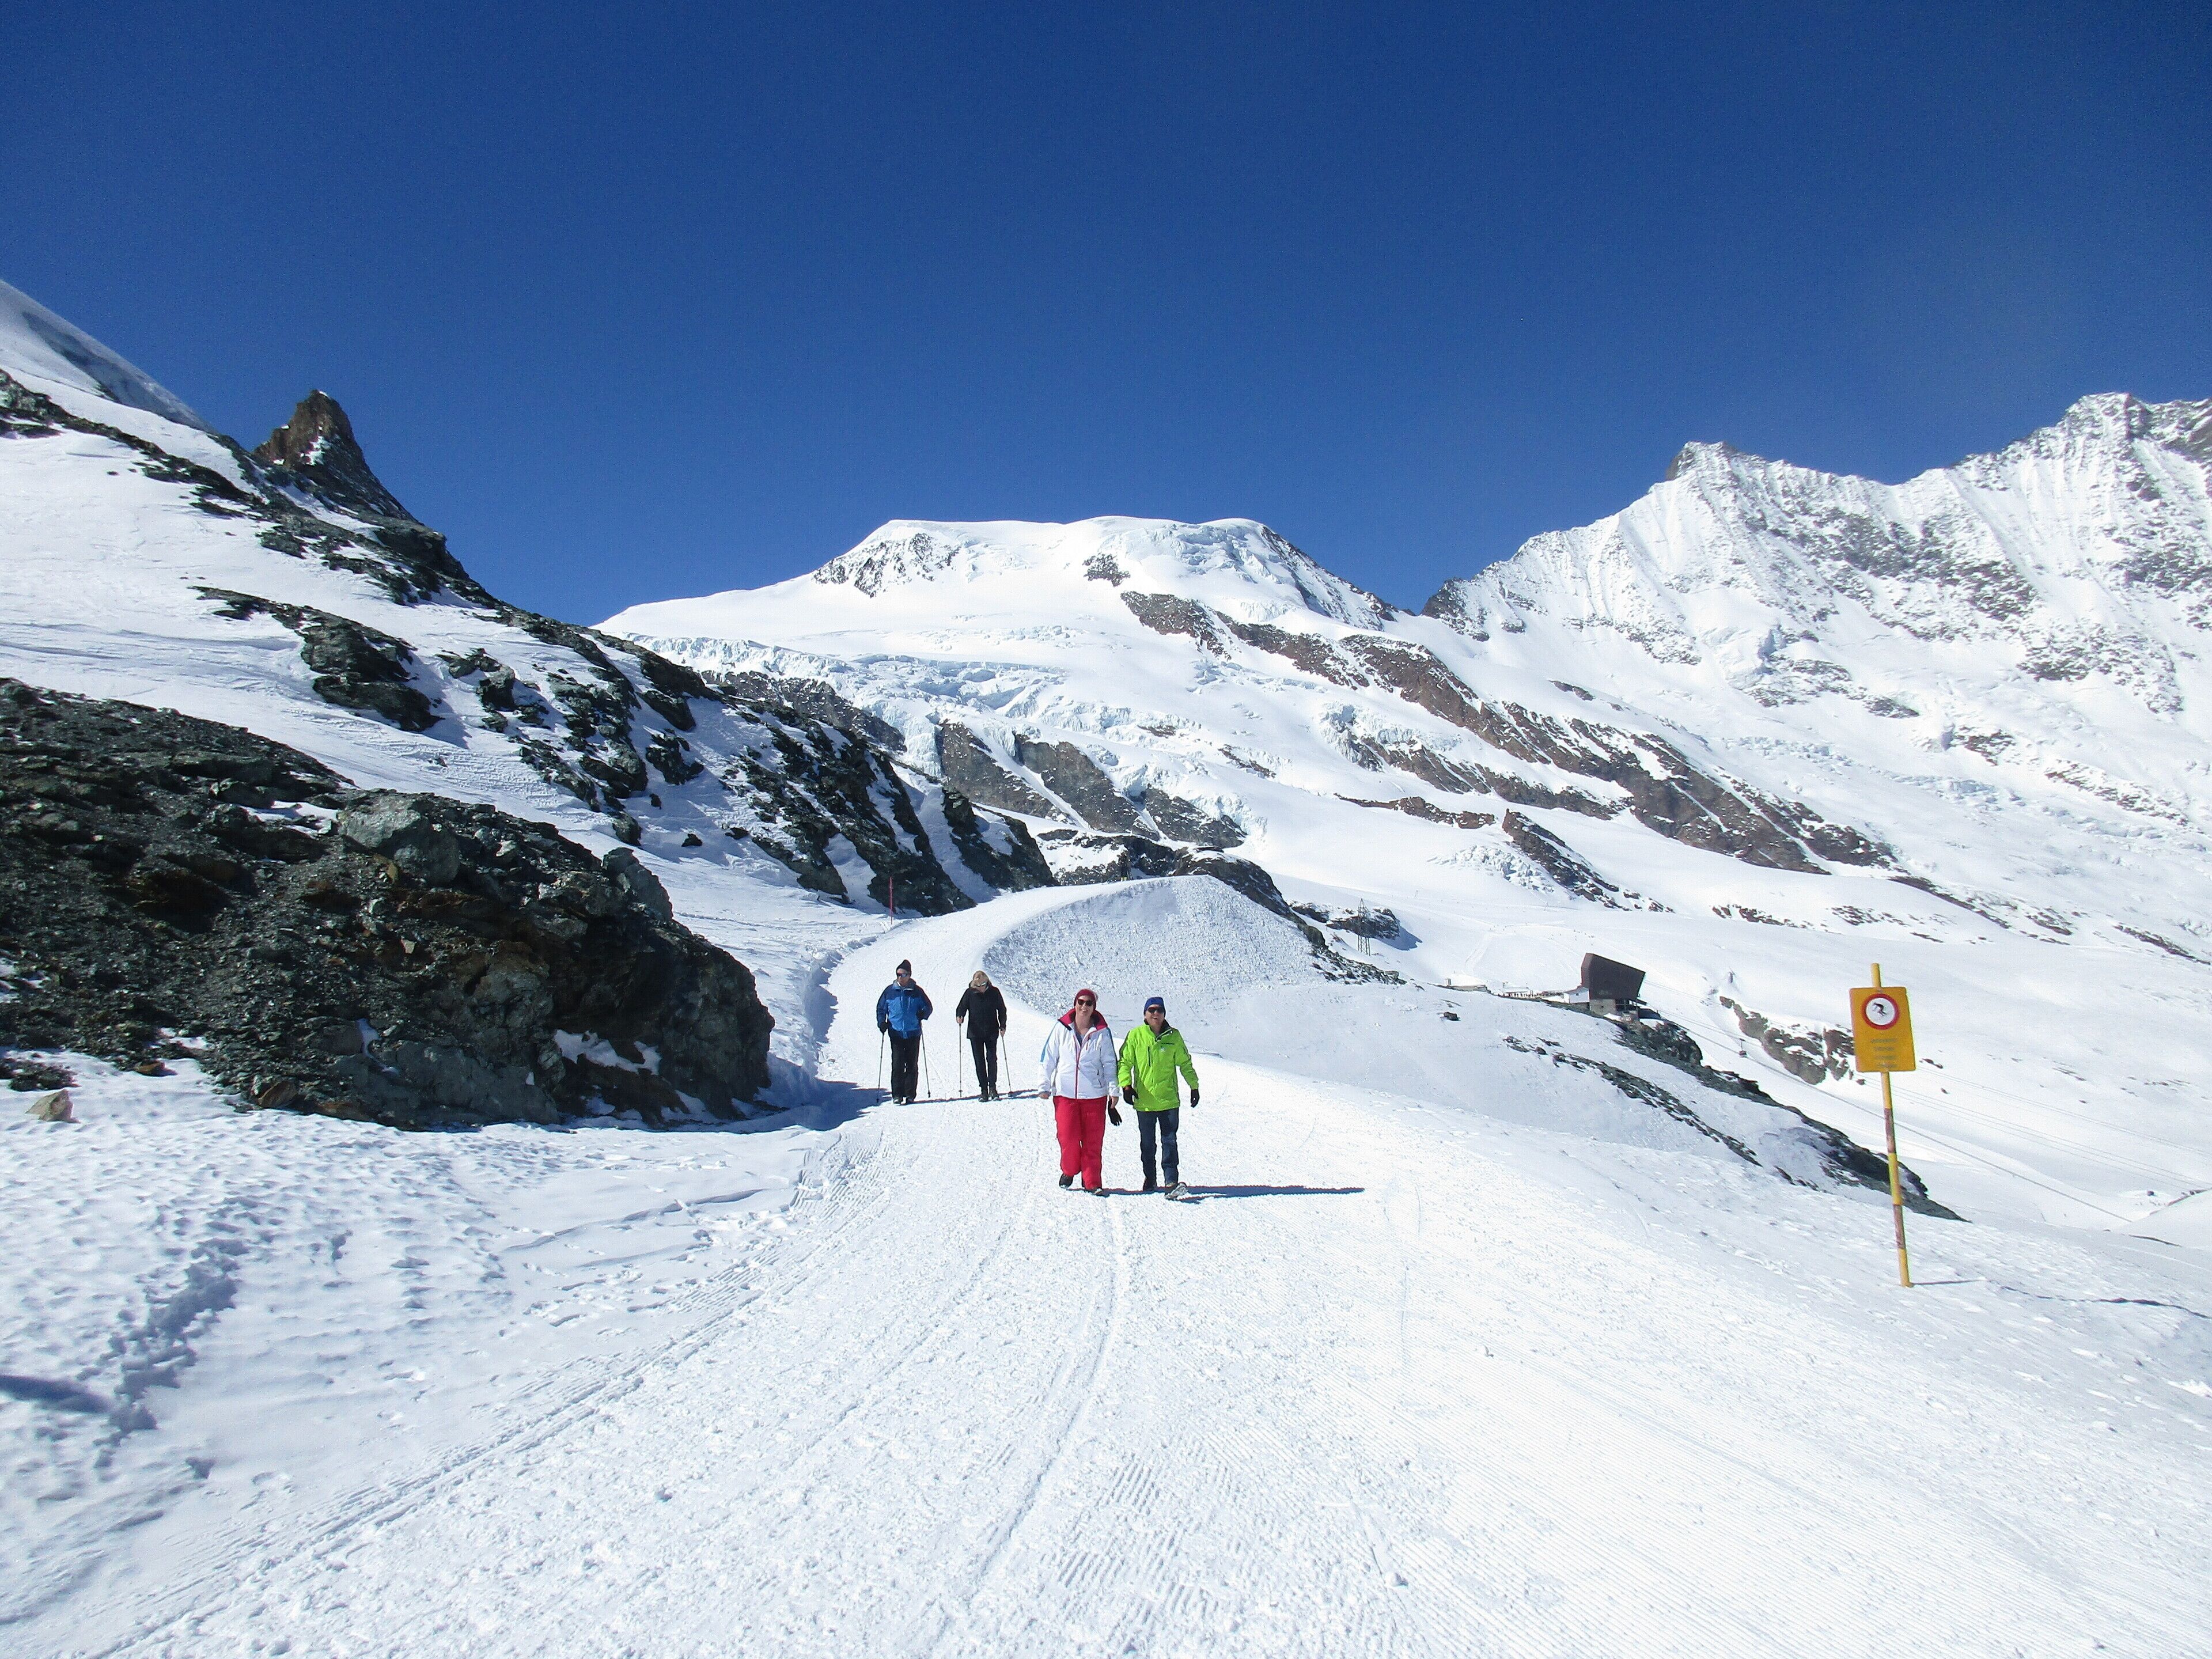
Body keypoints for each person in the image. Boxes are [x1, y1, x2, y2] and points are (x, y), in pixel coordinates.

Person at [1118, 995, 1200, 1197]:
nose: (1156, 1014)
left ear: (1164, 1014)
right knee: (1148, 1144)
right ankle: (1150, 1177)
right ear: (1145, 1015)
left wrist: (1194, 1086)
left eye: (1159, 1011)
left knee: (1170, 1141)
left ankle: (1171, 1180)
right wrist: (1126, 1086)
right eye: (1152, 1010)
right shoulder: (1135, 1036)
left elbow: (1185, 1063)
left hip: (1168, 1100)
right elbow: (1124, 1063)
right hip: (1144, 1102)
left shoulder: (1174, 1037)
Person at [1037, 987, 1116, 1192]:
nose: (1084, 1006)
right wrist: (1044, 1085)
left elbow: (1109, 1063)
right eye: (1081, 1002)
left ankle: (1092, 1182)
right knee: (1068, 1138)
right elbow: (1048, 1057)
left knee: (1093, 1141)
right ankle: (1070, 1169)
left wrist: (1113, 1090)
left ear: (1094, 1008)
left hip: (1094, 1096)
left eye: (1089, 1003)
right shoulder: (1062, 1028)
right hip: (1065, 1096)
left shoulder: (1102, 1033)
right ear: (1075, 1004)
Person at [875, 959, 932, 1103]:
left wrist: (923, 1014)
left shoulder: (917, 991)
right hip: (896, 1033)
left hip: (913, 1032)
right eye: (898, 974)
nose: (900, 977)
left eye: (904, 974)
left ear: (909, 975)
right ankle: (897, 1095)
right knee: (898, 1064)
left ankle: (910, 1094)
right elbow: (881, 1008)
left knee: (912, 1064)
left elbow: (928, 1007)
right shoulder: (890, 991)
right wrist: (882, 1022)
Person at [955, 970, 1009, 1100]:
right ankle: (983, 1090)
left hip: (991, 1031)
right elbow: (961, 1007)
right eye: (978, 985)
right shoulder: (970, 993)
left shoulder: (994, 992)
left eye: (983, 984)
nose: (981, 987)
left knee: (991, 1059)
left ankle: (993, 1088)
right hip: (975, 1032)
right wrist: (960, 1016)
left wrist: (1003, 1025)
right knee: (979, 1061)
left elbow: (1002, 1009)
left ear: (987, 982)